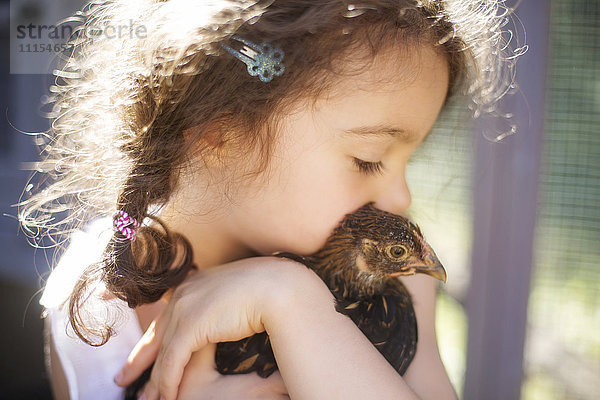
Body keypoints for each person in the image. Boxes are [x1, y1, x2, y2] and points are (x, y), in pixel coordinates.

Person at [17, 0, 517, 399]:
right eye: (369, 158)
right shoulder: (92, 311)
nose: (402, 196)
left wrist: (291, 302)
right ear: (220, 130)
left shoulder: (393, 288)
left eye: (412, 158)